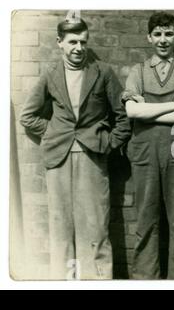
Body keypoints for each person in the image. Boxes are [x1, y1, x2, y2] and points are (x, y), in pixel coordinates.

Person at [20, 15, 131, 279]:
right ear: (60, 43)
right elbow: (28, 116)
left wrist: (109, 143)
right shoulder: (51, 74)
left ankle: (97, 281)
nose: (78, 48)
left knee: (95, 227)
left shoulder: (102, 72)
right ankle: (65, 281)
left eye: (83, 42)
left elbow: (123, 117)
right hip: (59, 158)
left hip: (93, 157)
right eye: (72, 42)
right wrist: (54, 133)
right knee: (61, 226)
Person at [122, 12, 174, 279]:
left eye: (169, 34)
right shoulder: (138, 71)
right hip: (145, 151)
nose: (163, 39)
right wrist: (172, 104)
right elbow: (132, 112)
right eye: (157, 34)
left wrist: (151, 110)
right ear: (149, 37)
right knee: (146, 219)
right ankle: (146, 279)